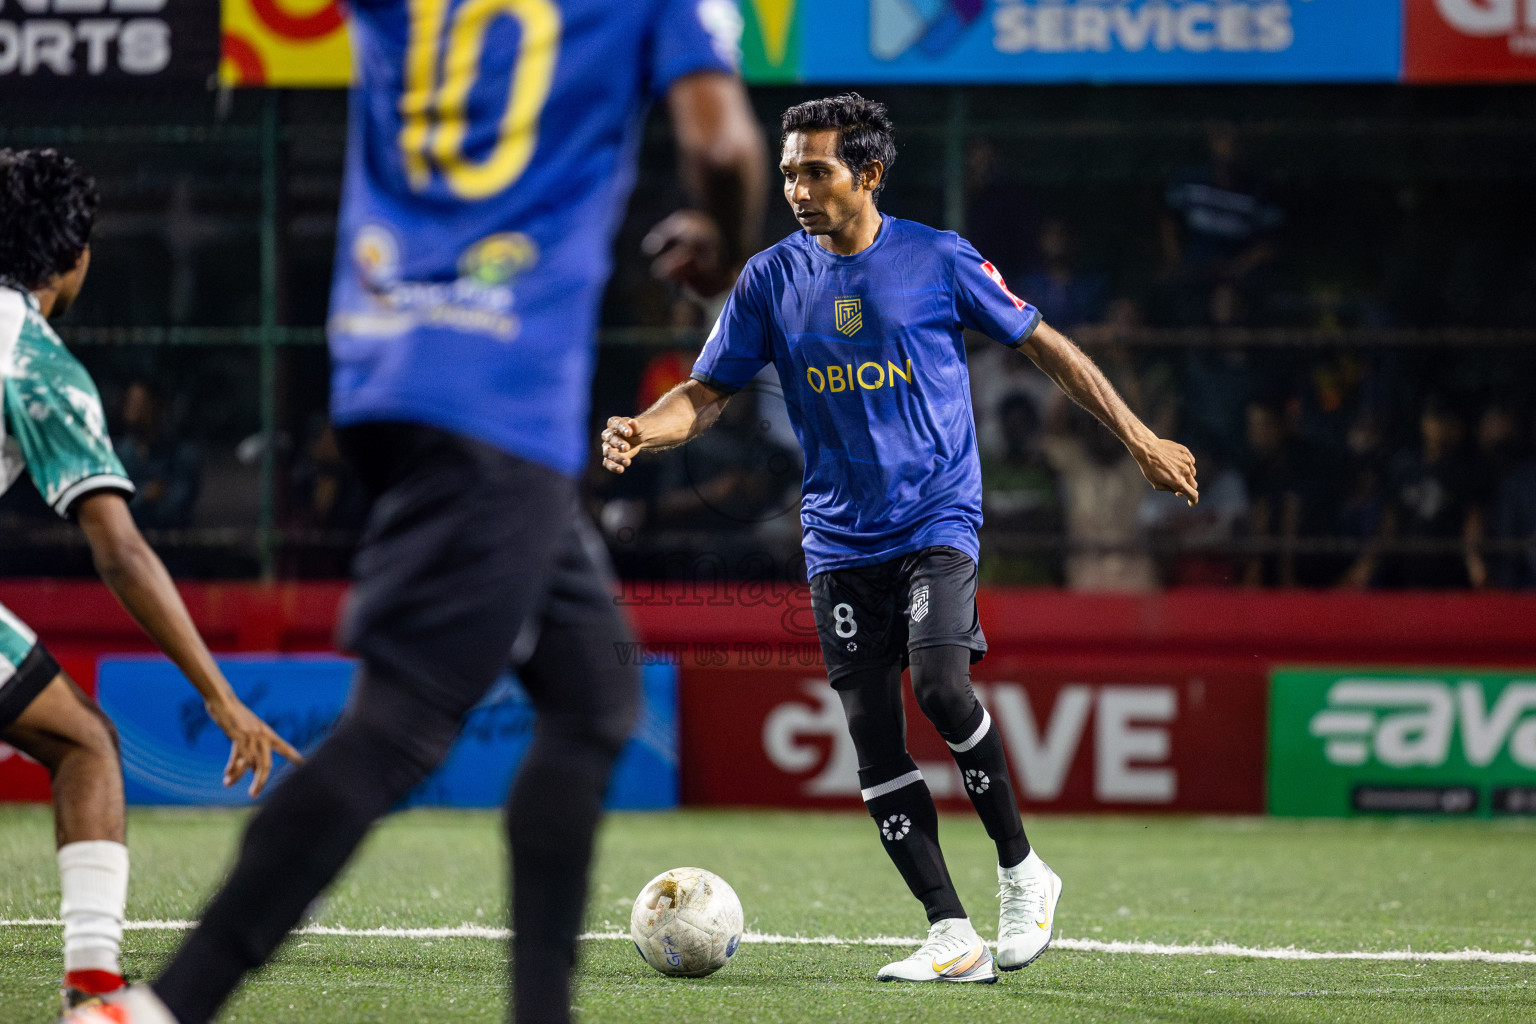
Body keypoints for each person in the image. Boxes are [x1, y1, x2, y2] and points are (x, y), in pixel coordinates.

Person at [68, 2, 765, 1022]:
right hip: (500, 394)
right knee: (402, 726)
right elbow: (724, 145)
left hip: (381, 367)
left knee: (593, 696)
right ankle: (161, 1006)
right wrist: (728, 246)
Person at [602, 94, 1198, 983]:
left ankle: (1023, 871)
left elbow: (1046, 345)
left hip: (935, 517)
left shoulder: (938, 259)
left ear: (869, 173)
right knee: (873, 736)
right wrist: (644, 428)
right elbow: (705, 392)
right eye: (790, 172)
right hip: (838, 538)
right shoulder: (769, 278)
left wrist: (1140, 438)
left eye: (817, 171)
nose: (797, 189)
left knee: (942, 686)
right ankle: (950, 933)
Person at [0, 148, 300, 1012]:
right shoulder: (34, 360)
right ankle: (95, 994)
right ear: (74, 257)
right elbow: (121, 550)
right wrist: (220, 695)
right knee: (86, 745)